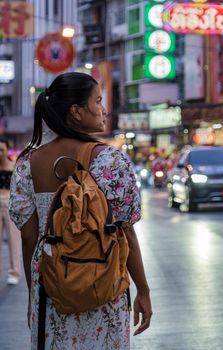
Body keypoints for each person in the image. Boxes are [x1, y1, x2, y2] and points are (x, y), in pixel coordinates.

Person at [9, 72, 152, 349]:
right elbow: (126, 234)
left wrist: (33, 294)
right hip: (104, 284)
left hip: (51, 286)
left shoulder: (27, 163)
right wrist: (143, 290)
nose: (104, 110)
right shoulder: (110, 160)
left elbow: (28, 238)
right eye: (97, 101)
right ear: (76, 111)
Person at [0, 137, 21, 285]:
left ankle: (15, 272)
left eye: (2, 149)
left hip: (9, 201)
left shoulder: (14, 166)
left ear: (7, 150)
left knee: (14, 239)